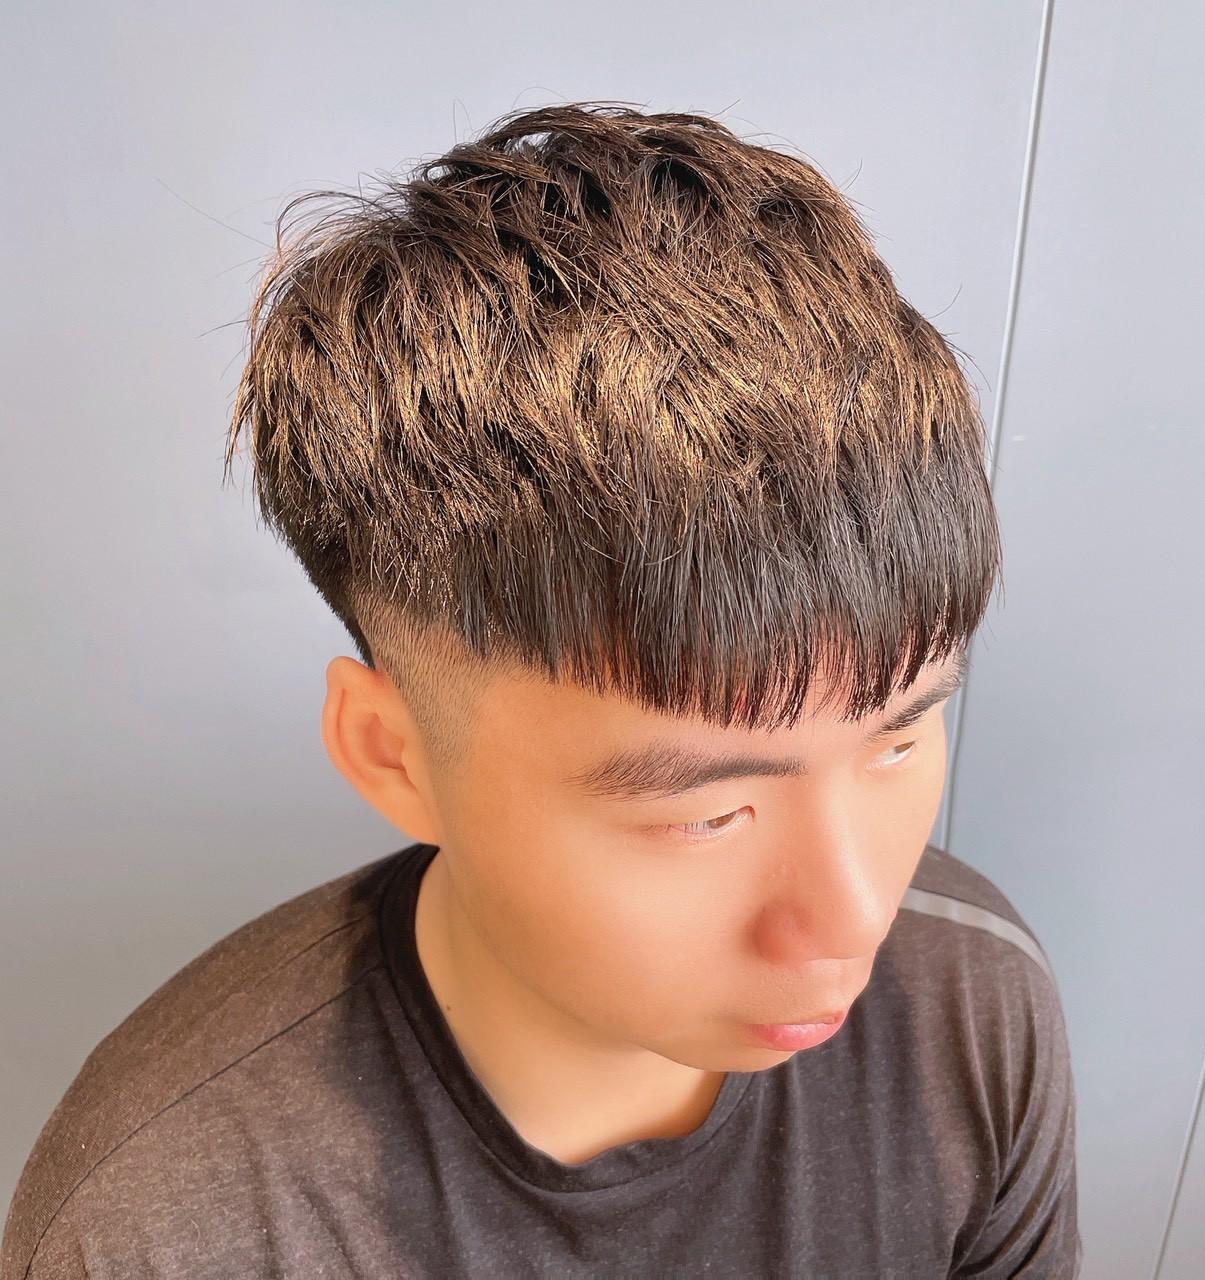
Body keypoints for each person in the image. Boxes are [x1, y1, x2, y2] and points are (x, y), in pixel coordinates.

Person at [2, 100, 1081, 1278]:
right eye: (706, 813)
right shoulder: (166, 1227)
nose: (851, 916)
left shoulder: (969, 1006)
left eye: (897, 740)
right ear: (393, 755)